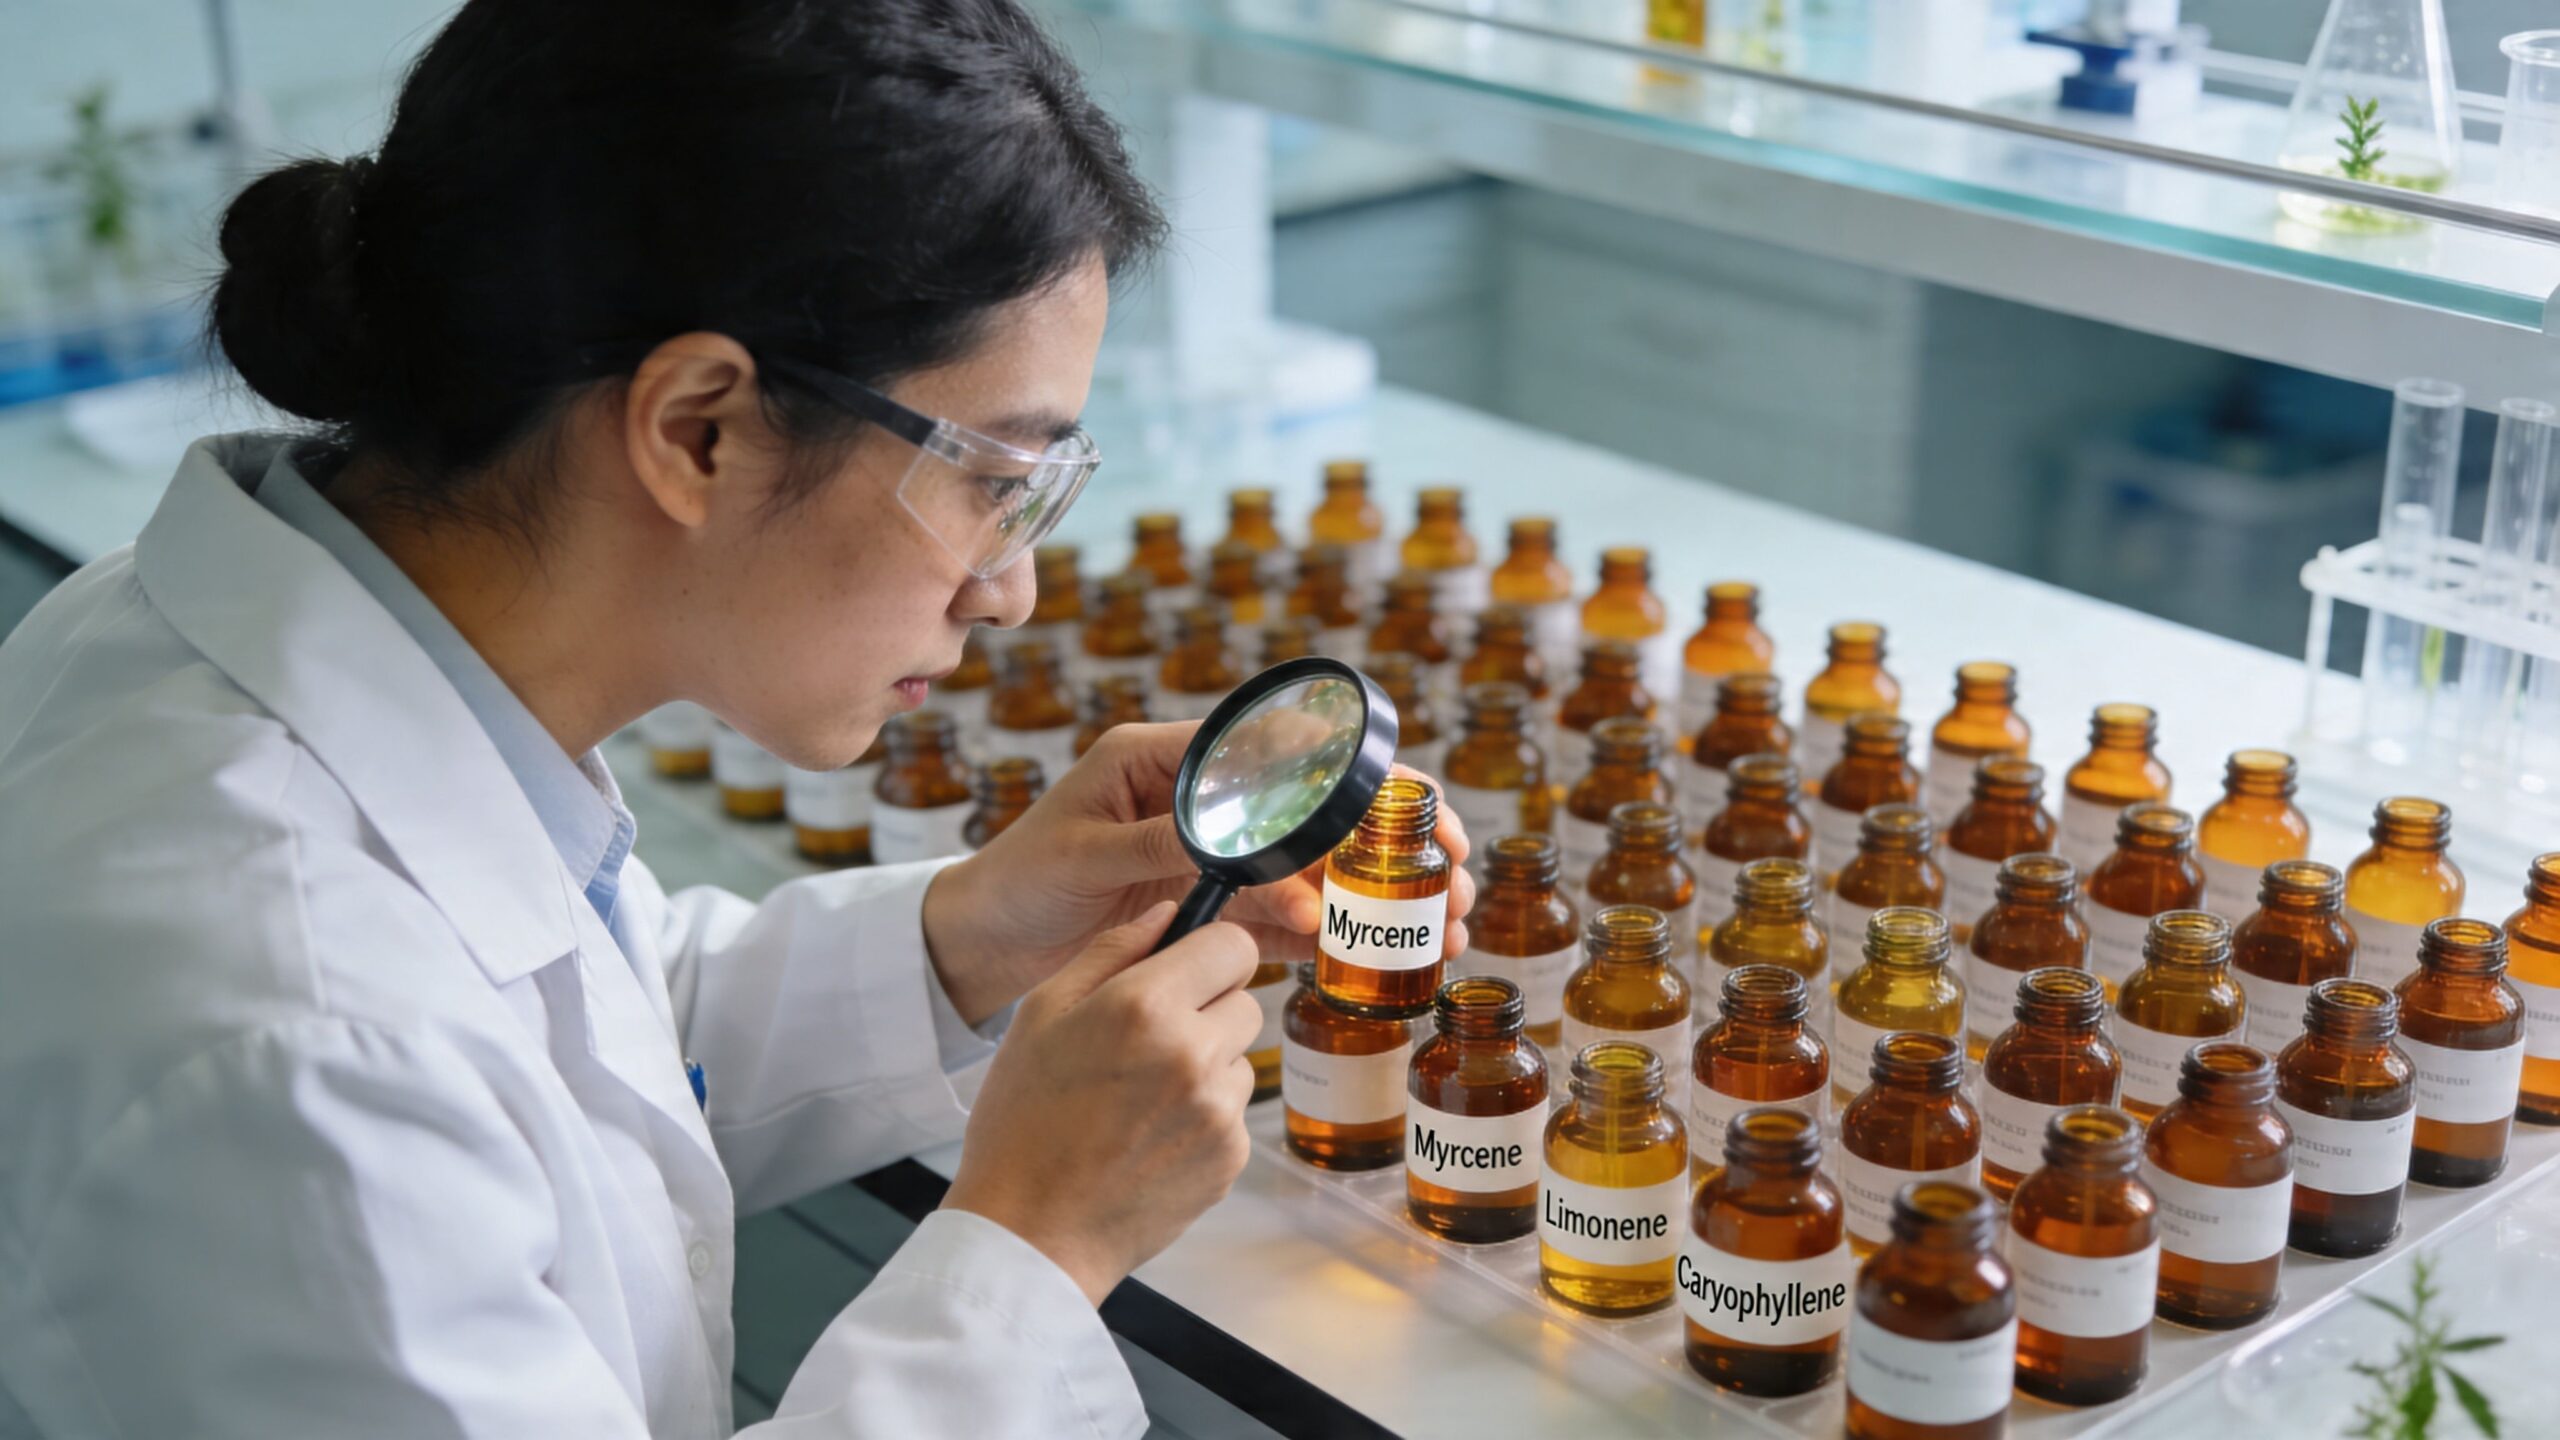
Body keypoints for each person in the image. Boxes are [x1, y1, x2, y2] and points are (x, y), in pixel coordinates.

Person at [0, 2, 1472, 1436]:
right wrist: (1037, 1243)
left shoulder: (249, 645)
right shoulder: (292, 1047)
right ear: (698, 427)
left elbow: (561, 1053)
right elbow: (417, 1058)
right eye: (990, 479)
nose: (1009, 590)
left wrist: (978, 929)